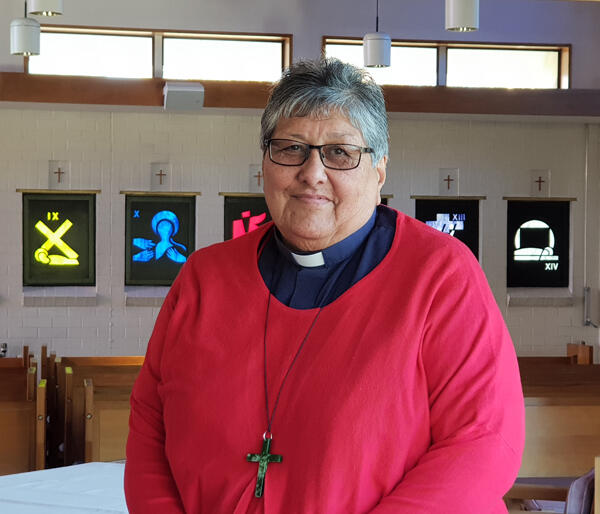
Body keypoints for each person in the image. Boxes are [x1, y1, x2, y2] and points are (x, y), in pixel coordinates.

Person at [125, 58, 524, 514]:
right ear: (264, 165)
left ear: (379, 171)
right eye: (291, 148)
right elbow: (149, 423)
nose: (312, 172)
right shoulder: (204, 278)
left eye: (339, 152)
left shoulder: (440, 276)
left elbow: (482, 443)